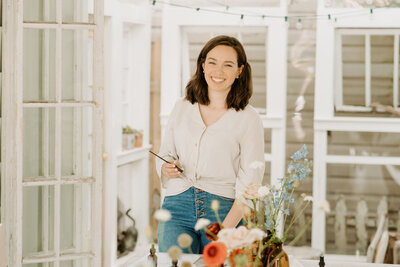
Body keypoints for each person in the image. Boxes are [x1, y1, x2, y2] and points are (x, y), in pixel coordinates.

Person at [156, 35, 265, 253]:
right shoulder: (182, 107)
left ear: (239, 71)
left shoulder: (248, 118)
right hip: (176, 207)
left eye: (228, 65)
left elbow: (251, 183)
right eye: (212, 62)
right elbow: (165, 154)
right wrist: (167, 167)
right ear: (203, 65)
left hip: (224, 210)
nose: (218, 71)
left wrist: (226, 230)